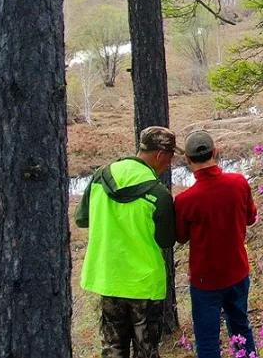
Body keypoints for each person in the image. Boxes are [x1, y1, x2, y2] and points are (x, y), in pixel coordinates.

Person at [75, 126, 182, 358]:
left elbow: (82, 219)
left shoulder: (101, 177)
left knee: (113, 349)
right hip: (144, 285)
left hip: (108, 278)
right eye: (170, 157)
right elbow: (166, 240)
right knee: (146, 350)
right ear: (160, 155)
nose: (169, 164)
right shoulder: (159, 194)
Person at [175, 130, 258, 358]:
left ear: (188, 160)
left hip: (205, 281)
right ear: (216, 153)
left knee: (208, 341)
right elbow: (251, 217)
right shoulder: (239, 183)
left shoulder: (184, 200)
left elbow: (181, 236)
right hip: (238, 272)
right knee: (241, 328)